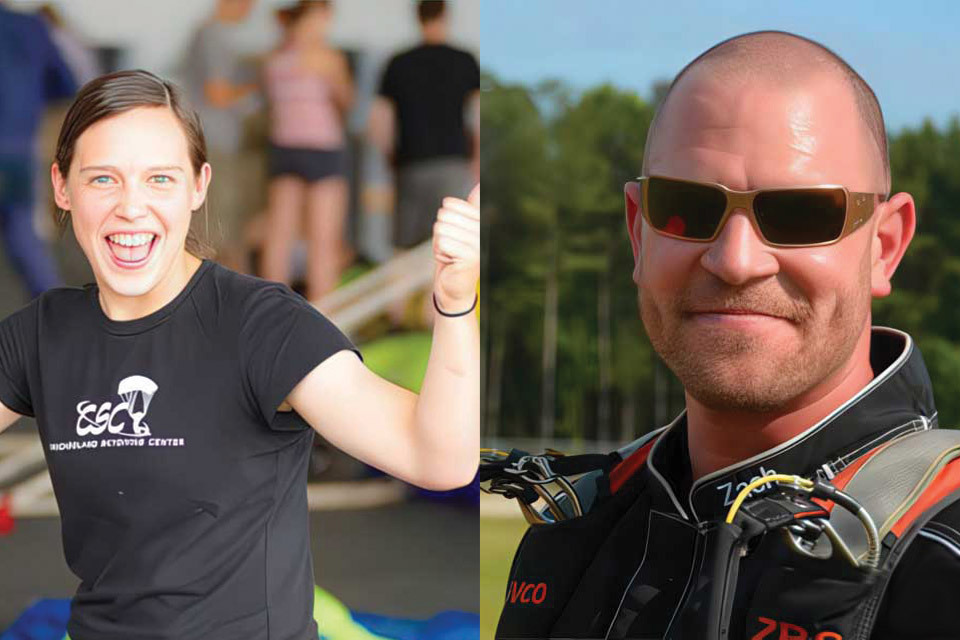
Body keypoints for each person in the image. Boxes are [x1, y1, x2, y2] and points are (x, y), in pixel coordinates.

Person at [493, 31, 960, 640]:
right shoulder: (578, 525)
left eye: (800, 214)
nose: (735, 261)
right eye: (686, 208)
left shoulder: (941, 558)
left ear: (885, 246)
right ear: (639, 234)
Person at [0, 69, 479, 640]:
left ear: (198, 186)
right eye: (102, 179)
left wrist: (454, 306)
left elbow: (438, 460)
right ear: (61, 186)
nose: (131, 207)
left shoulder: (261, 325)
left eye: (160, 179)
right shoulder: (41, 334)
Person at [368, 0, 479, 324]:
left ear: (417, 17)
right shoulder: (465, 61)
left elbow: (379, 123)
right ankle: (438, 318)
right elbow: (477, 115)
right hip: (452, 162)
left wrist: (391, 159)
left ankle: (396, 317)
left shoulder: (398, 63)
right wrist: (476, 161)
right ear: (445, 15)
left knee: (403, 244)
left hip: (410, 164)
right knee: (447, 243)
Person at [260, 0, 354, 301]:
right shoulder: (327, 58)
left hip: (284, 148)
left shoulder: (274, 58)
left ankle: (270, 315)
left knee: (279, 238)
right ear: (315, 16)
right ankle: (324, 320)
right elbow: (346, 102)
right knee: (323, 242)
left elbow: (271, 105)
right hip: (322, 149)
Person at [0, 3, 75, 298]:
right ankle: (58, 324)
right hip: (20, 149)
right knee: (24, 240)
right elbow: (65, 84)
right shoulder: (33, 26)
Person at [183, 0, 260, 273]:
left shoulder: (209, 34)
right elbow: (218, 94)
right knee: (216, 227)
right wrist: (257, 84)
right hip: (214, 142)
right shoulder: (212, 36)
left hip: (215, 141)